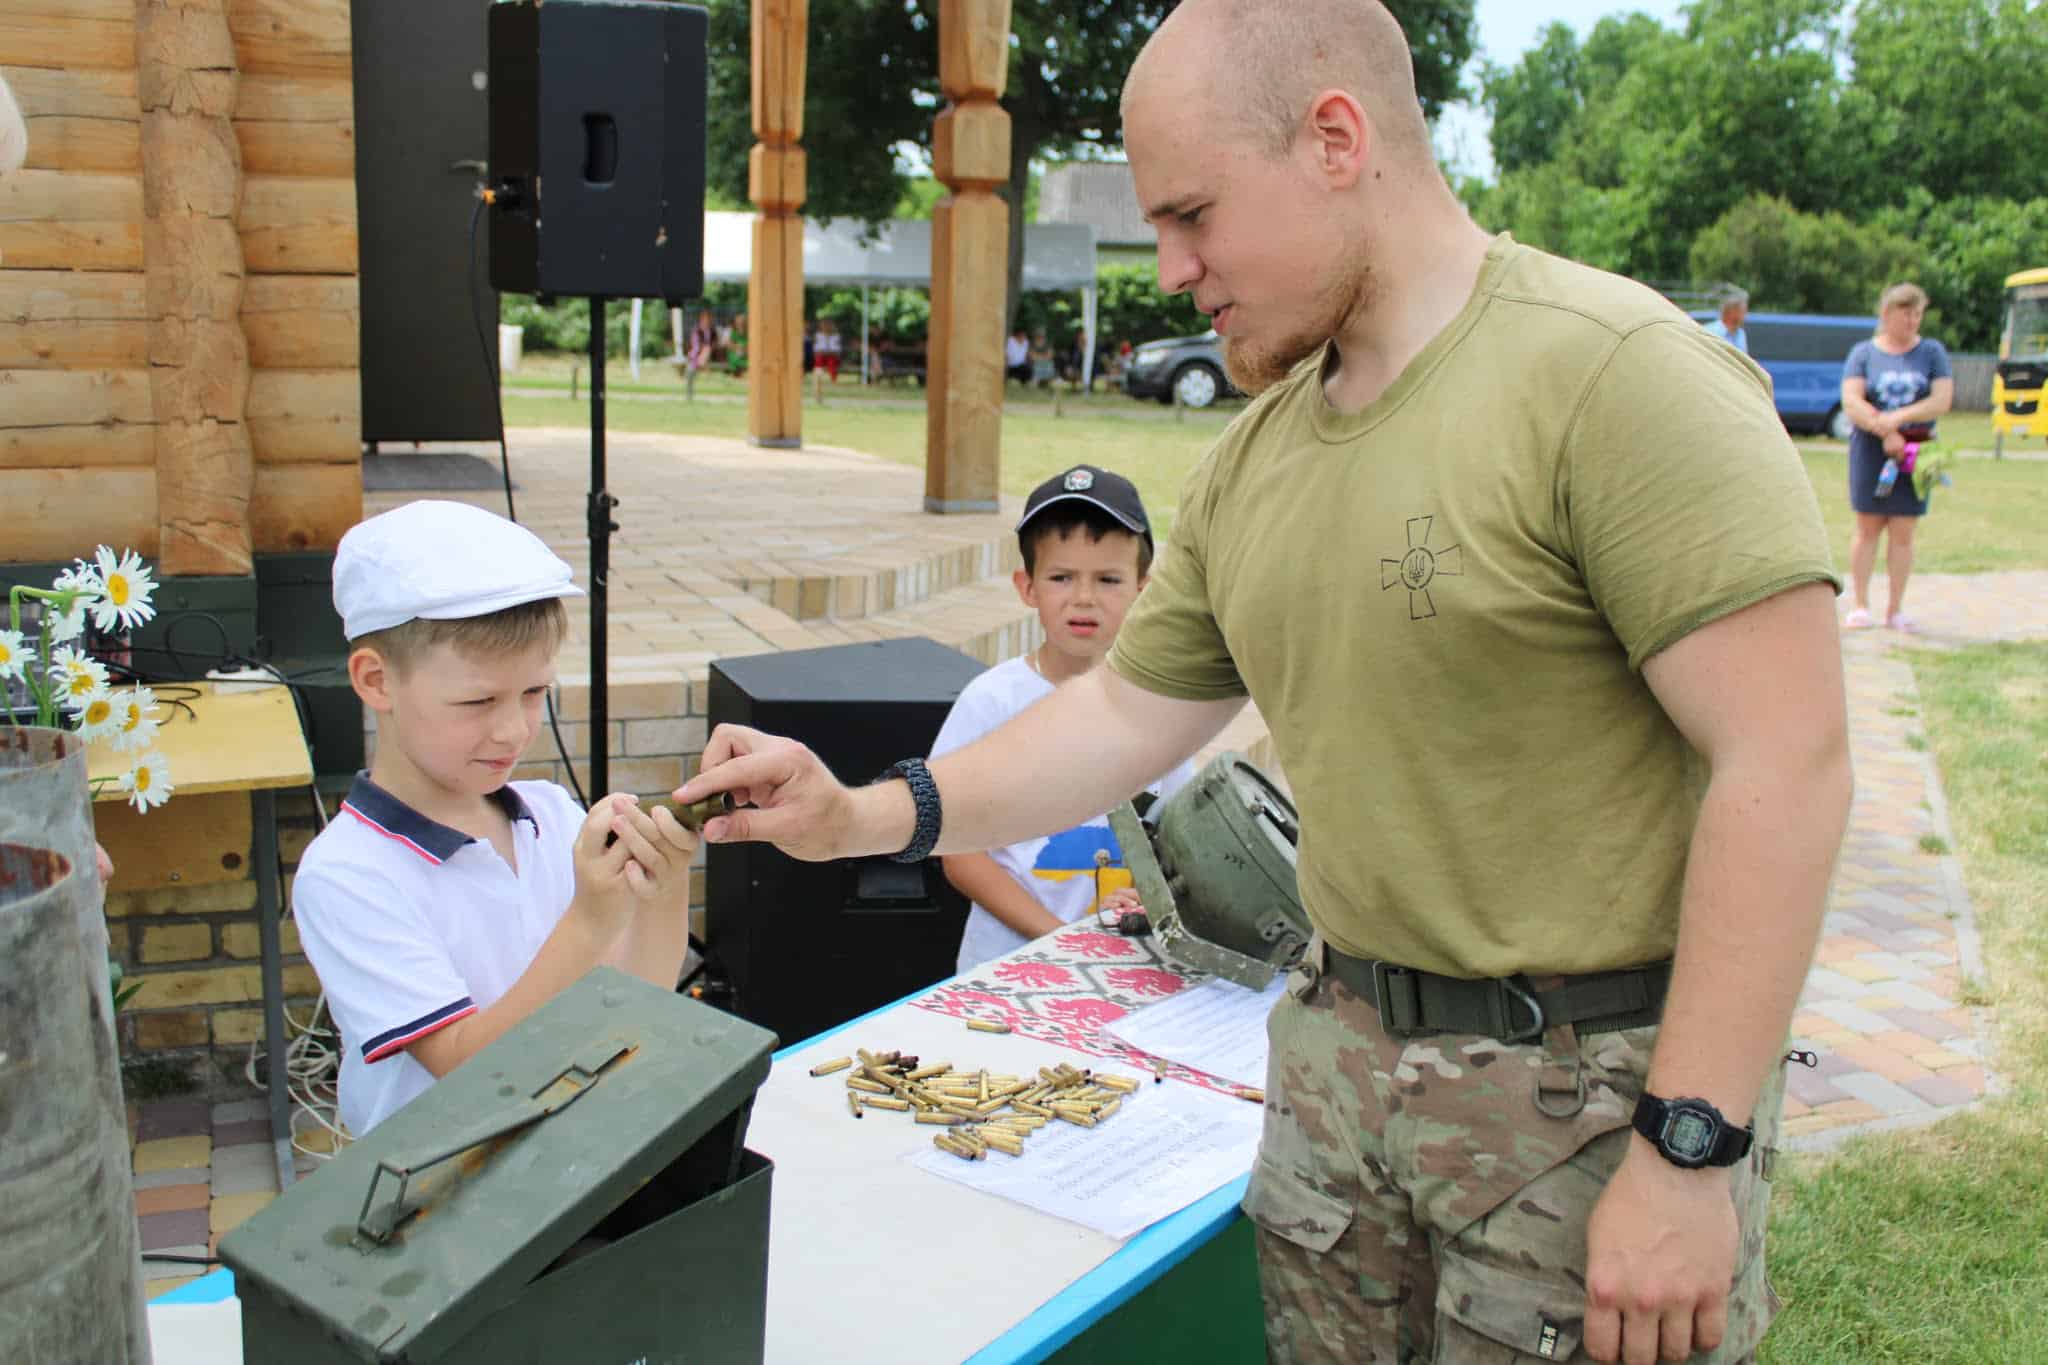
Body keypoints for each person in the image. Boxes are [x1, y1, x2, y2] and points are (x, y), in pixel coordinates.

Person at [675, 3, 1850, 1362]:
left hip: (1583, 1120)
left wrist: (1689, 1146)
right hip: (1334, 1097)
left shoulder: (1616, 381)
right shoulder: (1255, 461)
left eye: (1192, 215)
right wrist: (867, 812)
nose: (1171, 268)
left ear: (1336, 139)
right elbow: (1120, 716)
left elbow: (1789, 761)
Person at [292, 501, 696, 1136]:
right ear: (376, 681)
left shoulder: (551, 814)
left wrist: (664, 886)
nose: (513, 730)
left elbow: (639, 999)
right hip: (440, 1198)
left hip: (570, 1152)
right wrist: (590, 921)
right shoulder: (347, 874)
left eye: (535, 694)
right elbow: (468, 1068)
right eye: (478, 700)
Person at [936, 465, 1196, 973]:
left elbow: (1176, 838)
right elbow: (960, 854)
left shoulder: (1164, 708)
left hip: (1121, 966)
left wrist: (1146, 895)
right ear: (1027, 586)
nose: (1083, 597)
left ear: (1144, 589)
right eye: (1061, 577)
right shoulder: (991, 701)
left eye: (1108, 579)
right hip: (1004, 969)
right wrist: (1056, 939)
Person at [1839, 282, 1953, 632]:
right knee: (1867, 528)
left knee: (1904, 530)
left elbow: (1941, 400)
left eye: (1918, 314)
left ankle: (1895, 609)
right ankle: (1860, 605)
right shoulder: (1863, 353)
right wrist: (1884, 431)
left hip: (1916, 450)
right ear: (1887, 314)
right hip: (1872, 452)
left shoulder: (1932, 352)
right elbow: (1852, 400)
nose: (1913, 321)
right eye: (1906, 314)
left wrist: (1899, 421)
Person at [1703, 286, 1749, 353]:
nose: (1745, 315)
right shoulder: (1709, 332)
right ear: (1732, 312)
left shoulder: (1741, 334)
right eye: (1743, 311)